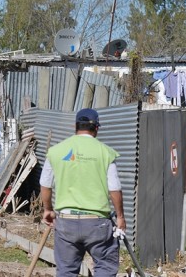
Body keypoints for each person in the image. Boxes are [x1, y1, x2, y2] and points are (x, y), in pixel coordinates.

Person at [39, 108, 124, 277]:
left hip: (66, 223)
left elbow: (45, 184)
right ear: (97, 128)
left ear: (75, 126)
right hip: (97, 224)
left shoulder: (56, 151)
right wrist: (120, 217)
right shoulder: (105, 152)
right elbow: (114, 188)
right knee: (105, 269)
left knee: (66, 271)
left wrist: (48, 210)